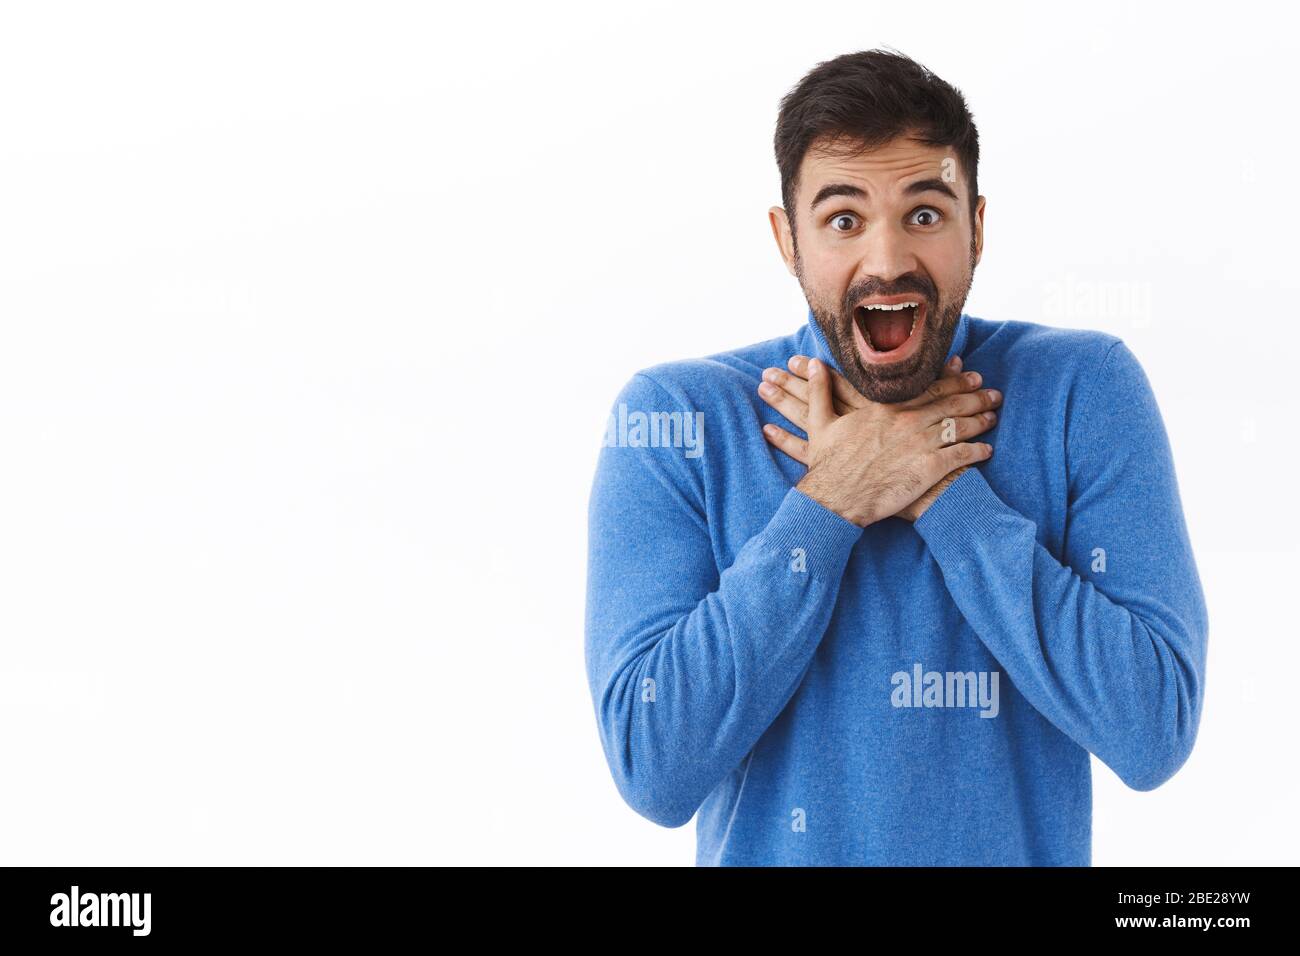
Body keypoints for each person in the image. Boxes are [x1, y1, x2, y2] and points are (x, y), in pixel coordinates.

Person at [584, 48, 1207, 865]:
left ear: (976, 227)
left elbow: (1153, 728)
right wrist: (831, 499)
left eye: (924, 213)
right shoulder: (677, 418)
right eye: (844, 219)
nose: (886, 260)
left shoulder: (1082, 391)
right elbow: (652, 767)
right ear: (788, 239)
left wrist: (944, 489)